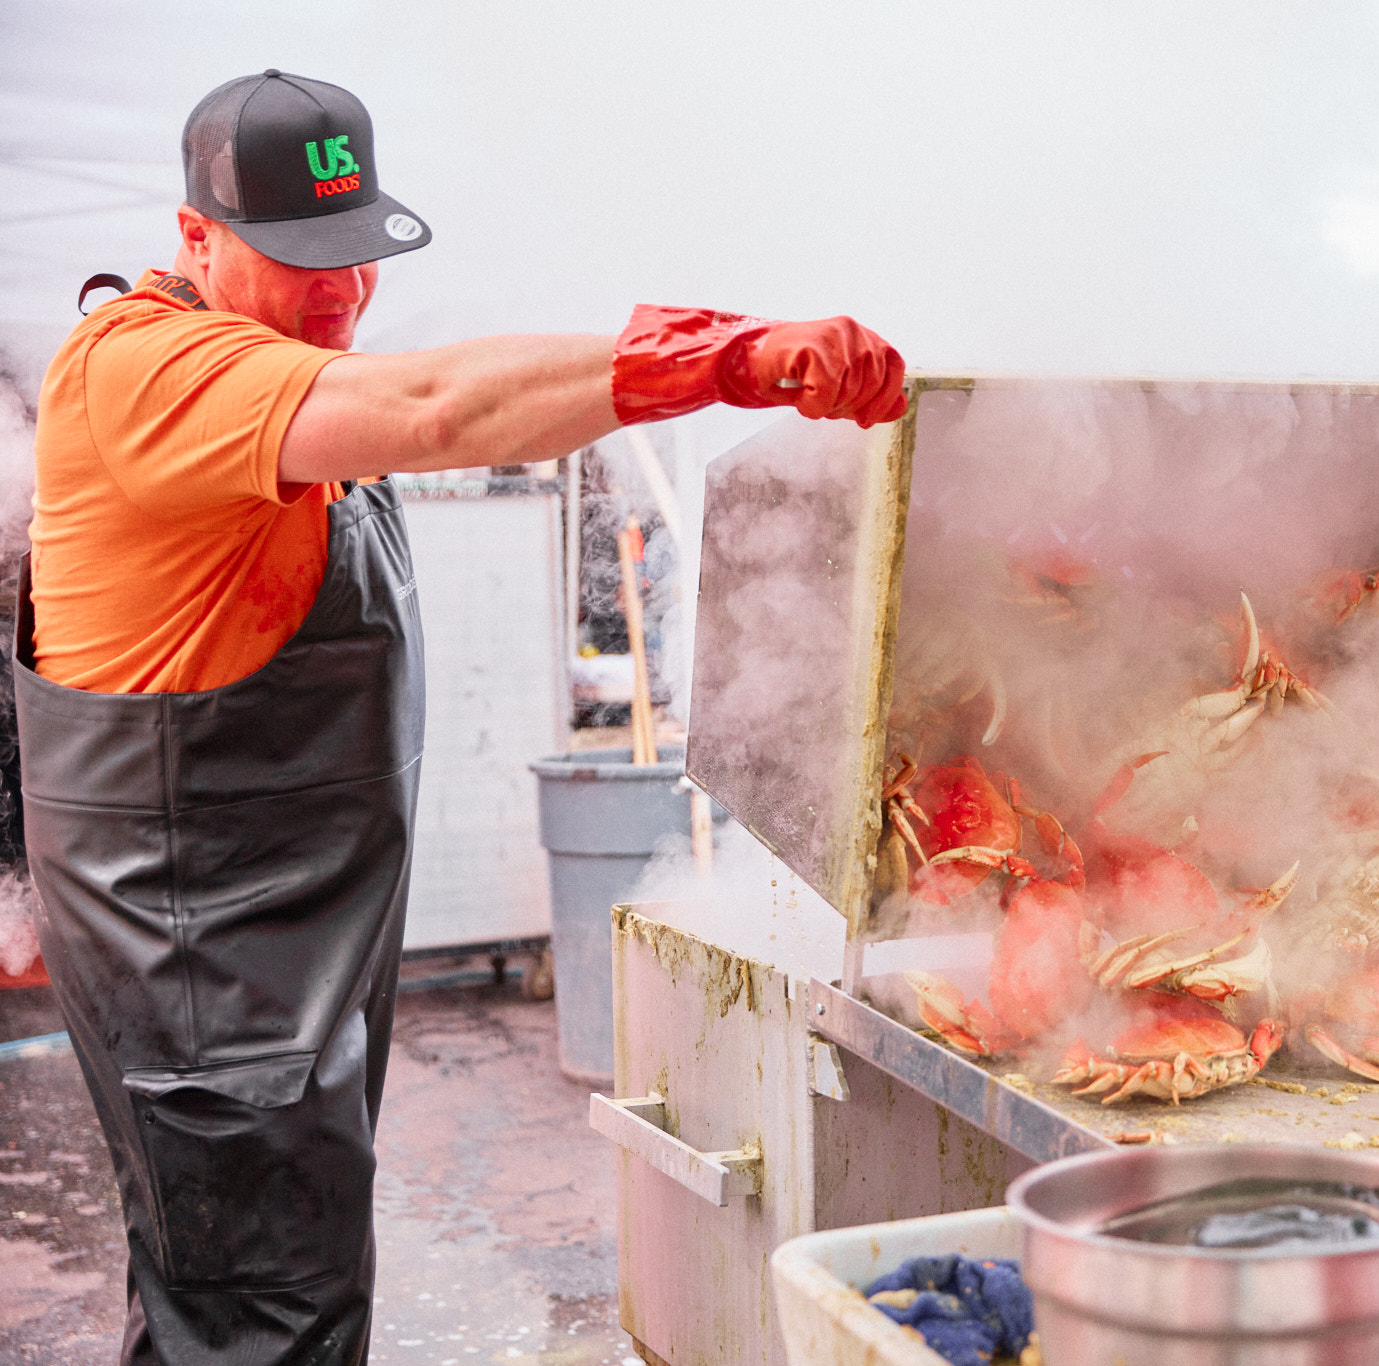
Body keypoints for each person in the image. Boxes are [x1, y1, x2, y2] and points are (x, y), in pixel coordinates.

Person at [22, 70, 907, 1365]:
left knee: (257, 1290)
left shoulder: (278, 363)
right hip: (199, 960)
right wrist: (723, 353)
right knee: (257, 1315)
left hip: (280, 946)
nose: (340, 292)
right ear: (194, 236)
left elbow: (435, 398)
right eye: (295, 259)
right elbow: (436, 410)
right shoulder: (148, 367)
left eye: (356, 257)